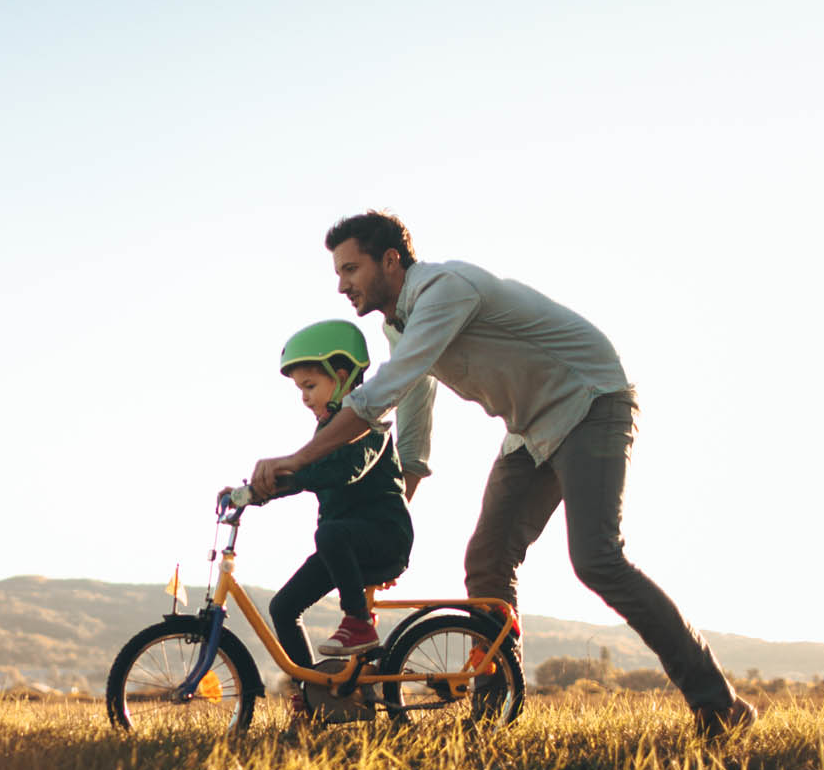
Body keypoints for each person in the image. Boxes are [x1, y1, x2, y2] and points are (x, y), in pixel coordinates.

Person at [249, 210, 755, 737]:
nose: (341, 284)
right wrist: (395, 512)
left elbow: (381, 393)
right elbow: (413, 407)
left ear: (390, 261)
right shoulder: (399, 325)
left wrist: (297, 459)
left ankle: (718, 704)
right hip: (528, 431)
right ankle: (495, 710)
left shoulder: (445, 291)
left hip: (591, 402)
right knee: (487, 562)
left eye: (351, 269)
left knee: (597, 558)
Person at [230, 319, 414, 717]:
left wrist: (287, 471)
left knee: (330, 534)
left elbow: (343, 471)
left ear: (342, 376)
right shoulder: (326, 431)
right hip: (343, 543)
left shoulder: (369, 422)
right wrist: (252, 493)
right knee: (283, 607)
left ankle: (359, 624)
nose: (304, 398)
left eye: (310, 386)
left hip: (383, 536)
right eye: (300, 389)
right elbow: (307, 478)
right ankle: (313, 696)